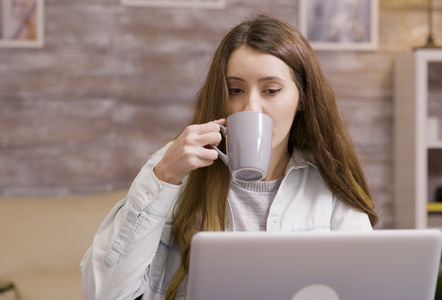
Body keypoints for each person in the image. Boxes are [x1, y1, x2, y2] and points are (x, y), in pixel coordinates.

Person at [80, 14, 378, 300]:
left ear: (301, 97)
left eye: (271, 90)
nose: (250, 107)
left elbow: (367, 287)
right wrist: (164, 177)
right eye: (235, 89)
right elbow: (105, 293)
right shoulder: (174, 168)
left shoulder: (327, 182)